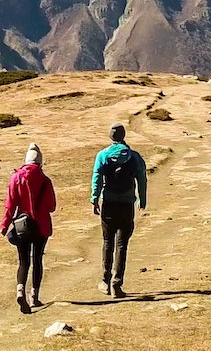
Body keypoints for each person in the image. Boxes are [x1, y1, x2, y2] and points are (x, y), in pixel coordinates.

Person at [90, 123, 147, 296]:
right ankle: (117, 282)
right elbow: (142, 179)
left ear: (110, 136)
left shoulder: (103, 155)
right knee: (122, 244)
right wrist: (141, 199)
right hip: (127, 204)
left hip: (108, 203)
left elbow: (97, 177)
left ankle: (105, 280)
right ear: (123, 135)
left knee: (108, 242)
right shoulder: (134, 156)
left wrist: (94, 199)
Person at [0, 142, 56, 313]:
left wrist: (5, 224)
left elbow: (10, 205)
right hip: (41, 226)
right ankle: (35, 296)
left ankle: (20, 290)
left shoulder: (16, 178)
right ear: (40, 162)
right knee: (37, 259)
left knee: (23, 261)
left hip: (21, 226)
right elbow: (51, 206)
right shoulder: (45, 181)